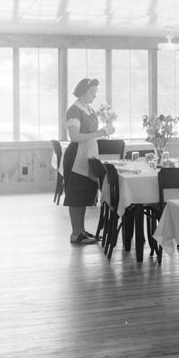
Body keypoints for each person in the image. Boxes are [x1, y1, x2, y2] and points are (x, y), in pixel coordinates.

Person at [62, 78, 113, 244]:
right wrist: (100, 133)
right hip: (76, 157)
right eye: (92, 92)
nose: (94, 95)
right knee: (76, 195)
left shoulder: (89, 109)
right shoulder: (74, 111)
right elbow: (75, 137)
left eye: (95, 92)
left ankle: (81, 231)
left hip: (87, 155)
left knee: (83, 194)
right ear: (83, 91)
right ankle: (75, 233)